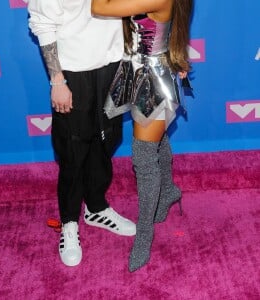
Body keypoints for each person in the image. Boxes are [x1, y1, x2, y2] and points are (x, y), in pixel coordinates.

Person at [26, 0, 136, 267]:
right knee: (73, 151)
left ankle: (96, 208)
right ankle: (69, 223)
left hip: (114, 65)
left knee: (107, 139)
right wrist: (58, 81)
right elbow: (43, 25)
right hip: (73, 73)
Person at [91, 0, 193, 271]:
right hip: (137, 70)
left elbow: (99, 7)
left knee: (144, 158)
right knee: (156, 141)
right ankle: (169, 190)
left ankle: (145, 234)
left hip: (153, 80)